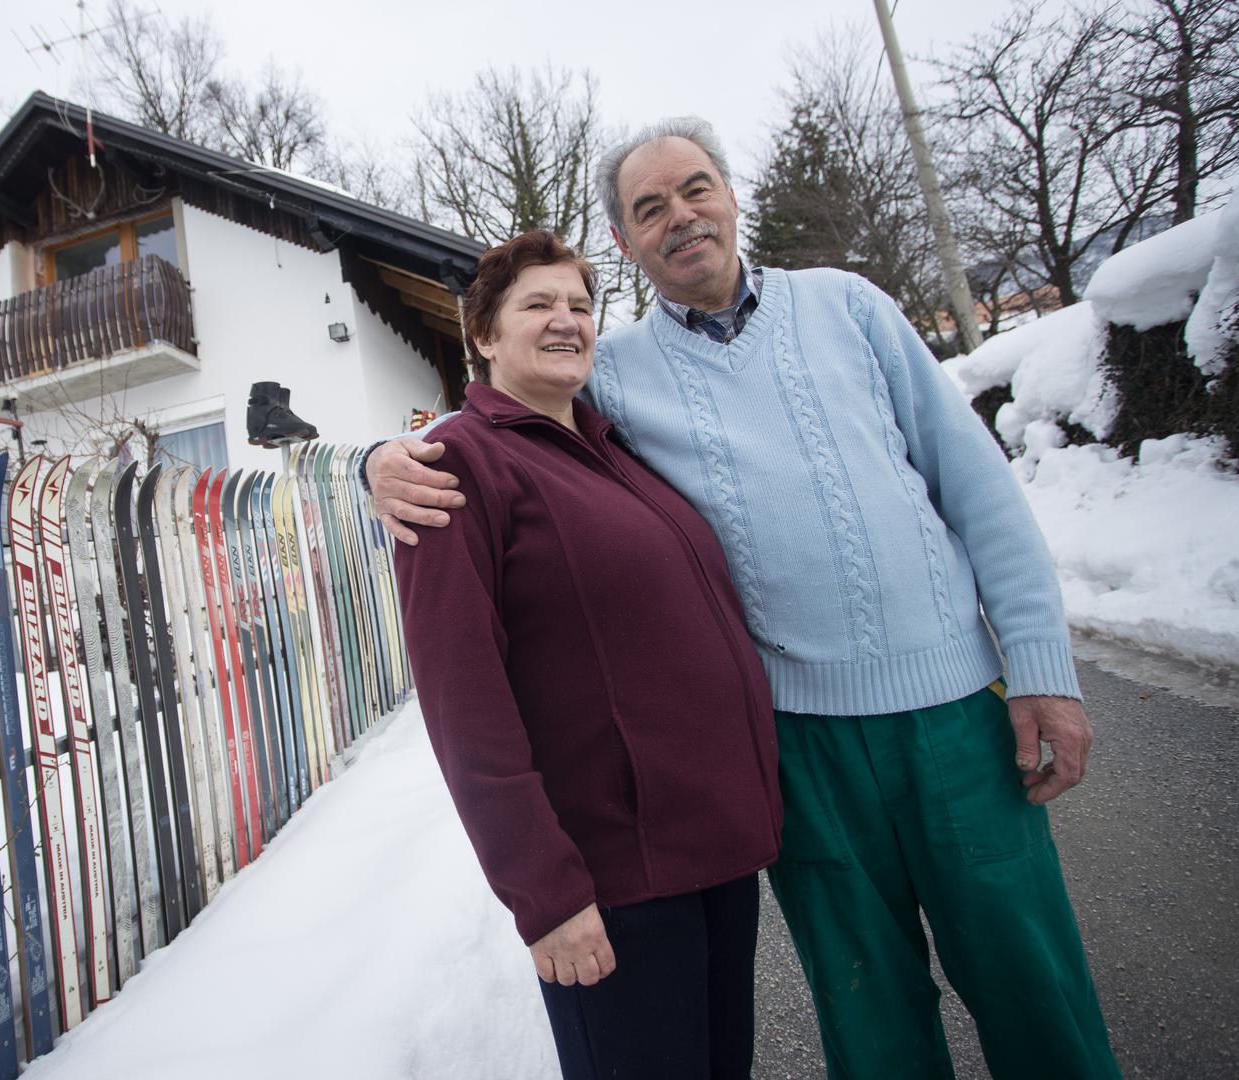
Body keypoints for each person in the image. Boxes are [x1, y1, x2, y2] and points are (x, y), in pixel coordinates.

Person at [370, 118, 1120, 1080]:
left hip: (953, 720)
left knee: (1036, 987)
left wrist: (1043, 671)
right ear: (631, 246)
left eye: (695, 189)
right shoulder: (620, 375)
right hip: (802, 747)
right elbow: (507, 443)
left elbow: (977, 488)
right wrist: (381, 462)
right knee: (873, 1018)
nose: (680, 217)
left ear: (730, 196)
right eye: (649, 210)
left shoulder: (848, 306)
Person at [394, 228, 782, 1079]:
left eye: (579, 304)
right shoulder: (463, 462)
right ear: (485, 335)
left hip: (710, 857)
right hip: (614, 887)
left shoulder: (616, 449)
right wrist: (545, 894)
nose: (566, 319)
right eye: (538, 305)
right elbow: (463, 701)